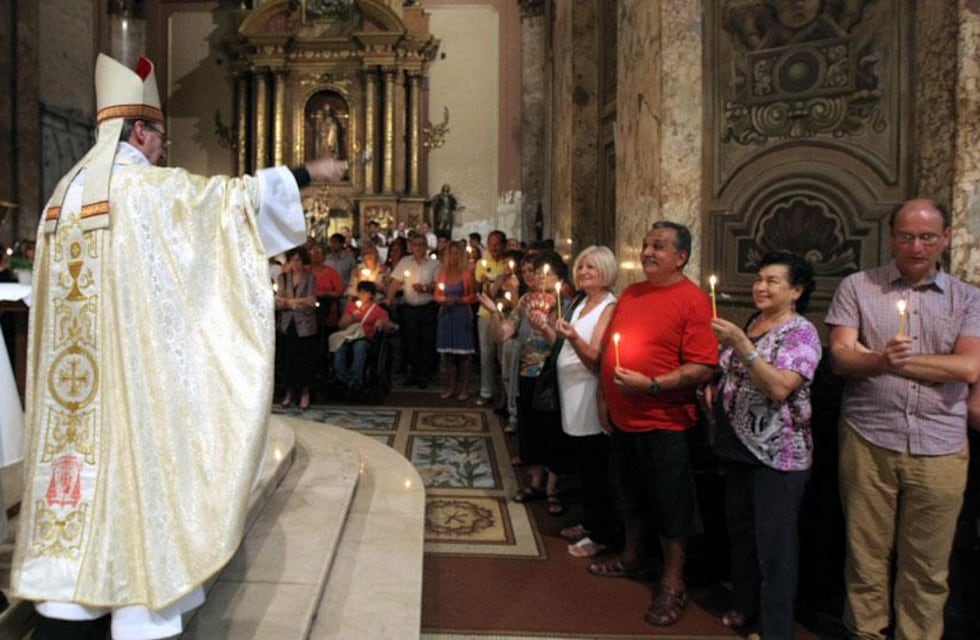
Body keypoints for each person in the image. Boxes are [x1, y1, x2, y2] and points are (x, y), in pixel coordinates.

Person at [9, 53, 347, 640]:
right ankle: (138, 607)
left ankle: (68, 605)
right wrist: (306, 172)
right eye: (160, 134)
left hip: (76, 398)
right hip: (135, 399)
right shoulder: (143, 190)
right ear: (138, 130)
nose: (164, 147)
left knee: (78, 516)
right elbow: (231, 204)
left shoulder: (60, 198)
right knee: (141, 502)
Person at [826, 198, 980, 640]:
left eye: (927, 236)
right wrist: (876, 360)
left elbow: (967, 369)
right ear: (892, 236)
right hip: (869, 436)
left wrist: (881, 361)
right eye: (906, 236)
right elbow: (840, 357)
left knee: (928, 565)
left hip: (941, 443)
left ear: (945, 238)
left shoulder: (968, 298)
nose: (916, 246)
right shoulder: (858, 286)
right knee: (865, 555)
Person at [591, 221, 718, 628]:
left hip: (665, 421)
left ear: (681, 257)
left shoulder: (693, 300)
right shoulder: (632, 293)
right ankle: (631, 557)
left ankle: (673, 582)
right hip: (624, 417)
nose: (647, 252)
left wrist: (654, 385)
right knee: (628, 493)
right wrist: (604, 396)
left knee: (672, 505)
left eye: (658, 247)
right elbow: (611, 349)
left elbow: (702, 366)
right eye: (646, 245)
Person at [709, 251, 821, 638]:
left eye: (773, 281)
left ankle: (775, 630)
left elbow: (778, 386)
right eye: (759, 279)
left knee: (775, 548)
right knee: (742, 535)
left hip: (778, 455)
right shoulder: (755, 321)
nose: (761, 286)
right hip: (738, 448)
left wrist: (741, 344)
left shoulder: (802, 332)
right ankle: (746, 605)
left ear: (796, 291)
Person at [479, 251, 572, 515]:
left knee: (552, 430)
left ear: (558, 277)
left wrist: (545, 327)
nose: (540, 279)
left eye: (547, 275)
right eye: (536, 273)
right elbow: (502, 335)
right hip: (528, 373)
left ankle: (553, 489)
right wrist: (493, 312)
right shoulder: (524, 302)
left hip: (552, 375)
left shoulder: (563, 303)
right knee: (530, 427)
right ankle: (535, 483)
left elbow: (560, 343)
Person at [553, 245, 620, 559]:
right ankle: (589, 521)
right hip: (571, 393)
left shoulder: (609, 307)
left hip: (590, 394)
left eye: (590, 268)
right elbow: (565, 342)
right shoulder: (580, 302)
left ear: (605, 271)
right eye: (580, 267)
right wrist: (547, 328)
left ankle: (602, 534)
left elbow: (596, 359)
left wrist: (572, 338)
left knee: (596, 467)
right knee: (584, 464)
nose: (582, 273)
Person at [386, 234, 441, 388]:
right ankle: (413, 373)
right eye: (415, 244)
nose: (419, 248)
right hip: (409, 309)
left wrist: (424, 288)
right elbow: (396, 282)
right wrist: (389, 299)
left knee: (426, 342)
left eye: (422, 244)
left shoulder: (434, 264)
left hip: (428, 308)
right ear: (411, 246)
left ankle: (424, 375)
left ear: (426, 246)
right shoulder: (405, 262)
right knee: (410, 342)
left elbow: (438, 284)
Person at [331, 281, 392, 396]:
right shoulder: (351, 307)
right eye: (361, 292)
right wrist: (352, 319)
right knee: (339, 348)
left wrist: (381, 322)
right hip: (350, 337)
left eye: (366, 292)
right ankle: (343, 378)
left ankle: (356, 379)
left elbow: (388, 325)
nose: (363, 295)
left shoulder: (377, 310)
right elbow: (341, 325)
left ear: (372, 295)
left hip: (366, 338)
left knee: (360, 346)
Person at [276, 247, 319, 410]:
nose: (297, 263)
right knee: (288, 359)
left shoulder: (310, 278)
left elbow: (311, 300)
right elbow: (278, 301)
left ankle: (304, 393)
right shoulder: (283, 278)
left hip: (305, 323)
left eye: (299, 260)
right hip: (287, 323)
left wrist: (293, 302)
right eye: (294, 260)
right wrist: (290, 303)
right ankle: (289, 392)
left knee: (304, 359)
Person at [435, 241, 478, 400]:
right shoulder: (443, 273)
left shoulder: (466, 274)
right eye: (451, 253)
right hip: (446, 314)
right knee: (448, 354)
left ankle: (465, 388)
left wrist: (461, 301)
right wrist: (443, 300)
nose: (454, 257)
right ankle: (451, 387)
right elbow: (437, 294)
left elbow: (473, 296)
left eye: (456, 253)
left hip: (461, 314)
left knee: (463, 355)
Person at [475, 230, 508, 406]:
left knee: (503, 356)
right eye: (491, 244)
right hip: (486, 314)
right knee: (486, 353)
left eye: (497, 244)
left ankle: (505, 393)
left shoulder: (508, 264)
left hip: (506, 314)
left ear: (503, 245)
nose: (494, 247)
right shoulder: (482, 263)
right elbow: (482, 290)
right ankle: (486, 391)